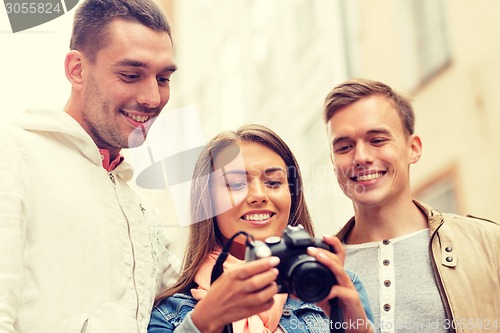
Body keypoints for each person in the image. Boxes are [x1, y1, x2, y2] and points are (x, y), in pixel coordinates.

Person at [0, 0, 180, 332]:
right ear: (77, 70)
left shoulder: (143, 211)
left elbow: (196, 303)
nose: (153, 98)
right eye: (130, 75)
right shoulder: (13, 155)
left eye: (164, 78)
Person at [148, 124, 374, 333]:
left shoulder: (335, 286)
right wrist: (205, 321)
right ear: (207, 202)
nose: (258, 195)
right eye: (236, 184)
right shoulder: (169, 315)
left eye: (274, 183)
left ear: (292, 196)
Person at [322, 78, 500, 333]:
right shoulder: (317, 271)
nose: (361, 157)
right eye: (345, 147)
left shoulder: (489, 246)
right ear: (333, 160)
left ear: (413, 148)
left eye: (377, 140)